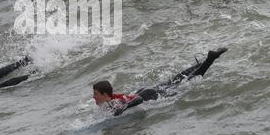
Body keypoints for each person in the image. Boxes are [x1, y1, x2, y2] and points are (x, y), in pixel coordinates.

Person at [92, 47, 228, 116]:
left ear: (105, 95)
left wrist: (122, 109)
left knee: (186, 82)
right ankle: (203, 61)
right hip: (148, 91)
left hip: (151, 95)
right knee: (177, 79)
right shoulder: (111, 101)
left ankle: (210, 59)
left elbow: (138, 100)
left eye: (96, 94)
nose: (94, 97)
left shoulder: (116, 102)